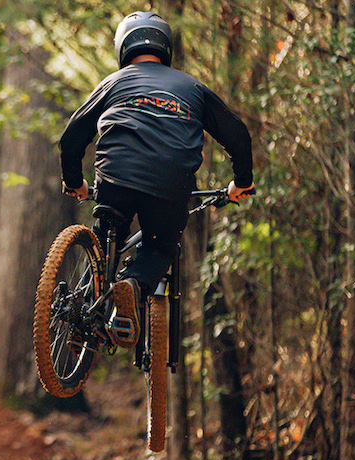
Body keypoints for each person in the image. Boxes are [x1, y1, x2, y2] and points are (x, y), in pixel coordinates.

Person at [59, 11, 254, 349]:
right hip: (170, 184)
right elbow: (237, 135)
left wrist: (75, 181)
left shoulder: (115, 82)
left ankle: (86, 320)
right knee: (161, 244)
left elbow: (73, 137)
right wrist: (241, 182)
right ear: (166, 47)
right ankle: (134, 285)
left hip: (114, 177)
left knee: (107, 234)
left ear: (123, 47)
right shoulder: (192, 87)